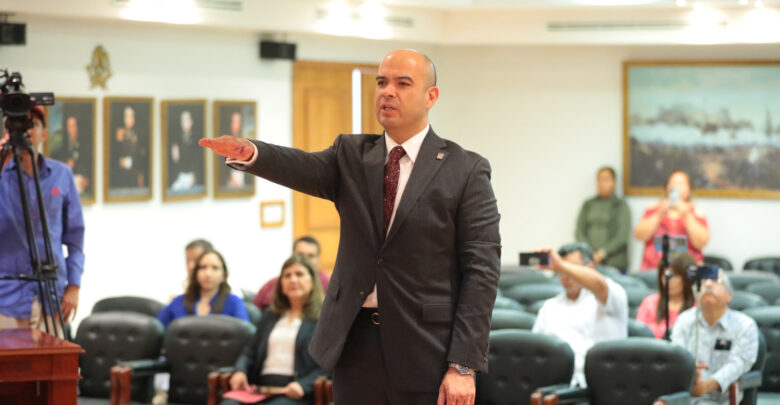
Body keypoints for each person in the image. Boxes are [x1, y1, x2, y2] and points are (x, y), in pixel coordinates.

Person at [200, 49, 501, 405]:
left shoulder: (465, 170)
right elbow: (302, 166)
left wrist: (463, 365)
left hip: (425, 348)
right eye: (381, 82)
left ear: (430, 96)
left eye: (402, 84)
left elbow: (481, 272)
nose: (387, 91)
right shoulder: (352, 154)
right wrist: (253, 153)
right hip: (354, 344)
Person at [0, 106, 85, 332]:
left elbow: (76, 240)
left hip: (52, 299)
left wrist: (74, 286)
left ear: (44, 134)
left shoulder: (62, 175)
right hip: (6, 301)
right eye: (17, 125)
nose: (25, 131)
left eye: (32, 124)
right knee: (9, 368)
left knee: (54, 367)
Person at [222, 255, 327, 405]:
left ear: (312, 281)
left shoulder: (323, 318)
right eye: (287, 276)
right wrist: (240, 371)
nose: (293, 280)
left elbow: (329, 364)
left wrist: (304, 385)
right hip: (261, 387)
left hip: (295, 391)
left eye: (299, 274)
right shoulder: (270, 315)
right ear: (281, 284)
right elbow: (249, 352)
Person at [532, 242, 628, 387]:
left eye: (573, 268)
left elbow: (599, 284)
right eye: (561, 270)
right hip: (559, 387)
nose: (566, 275)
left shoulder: (611, 295)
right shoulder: (549, 307)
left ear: (590, 267)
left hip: (604, 388)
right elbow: (537, 351)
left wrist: (561, 265)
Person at [671, 271, 759, 404]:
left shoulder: (745, 325)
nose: (708, 285)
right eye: (703, 282)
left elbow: (738, 364)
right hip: (683, 396)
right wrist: (690, 374)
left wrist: (707, 386)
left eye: (716, 282)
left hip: (721, 400)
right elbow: (678, 357)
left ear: (729, 296)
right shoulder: (684, 320)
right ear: (696, 295)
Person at [634, 170, 709, 271]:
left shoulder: (696, 212)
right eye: (673, 183)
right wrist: (659, 214)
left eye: (681, 184)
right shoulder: (654, 209)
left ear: (689, 189)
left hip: (687, 272)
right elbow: (639, 235)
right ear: (667, 188)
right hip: (654, 271)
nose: (676, 187)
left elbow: (701, 242)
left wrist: (687, 216)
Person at [157, 250, 249, 328]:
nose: (208, 274)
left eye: (215, 268)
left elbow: (246, 335)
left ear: (224, 275)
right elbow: (158, 328)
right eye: (203, 267)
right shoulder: (179, 302)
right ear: (196, 272)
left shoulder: (234, 302)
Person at [575, 166, 631, 272]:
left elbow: (622, 237)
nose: (601, 183)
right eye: (599, 179)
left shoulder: (620, 205)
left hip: (614, 264)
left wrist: (601, 254)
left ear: (614, 183)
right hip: (589, 262)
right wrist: (591, 253)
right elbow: (579, 231)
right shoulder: (588, 204)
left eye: (606, 180)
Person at [253, 236, 330, 311]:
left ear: (318, 259)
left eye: (311, 256)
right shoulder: (274, 283)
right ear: (293, 256)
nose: (293, 280)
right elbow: (255, 309)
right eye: (300, 255)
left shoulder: (328, 284)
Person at [636, 252, 696, 339]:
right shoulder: (649, 302)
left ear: (687, 277)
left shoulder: (697, 308)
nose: (668, 280)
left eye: (674, 275)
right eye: (664, 274)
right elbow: (638, 336)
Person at [51, 112, 91, 196]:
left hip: (81, 185)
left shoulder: (86, 146)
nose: (73, 129)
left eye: (74, 126)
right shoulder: (61, 147)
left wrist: (87, 179)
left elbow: (89, 167)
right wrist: (66, 166)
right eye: (70, 126)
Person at [111, 105, 148, 189]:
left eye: (131, 116)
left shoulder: (139, 134)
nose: (130, 119)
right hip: (121, 176)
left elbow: (142, 156)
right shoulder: (118, 134)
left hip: (134, 173)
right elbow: (115, 156)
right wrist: (119, 142)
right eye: (127, 116)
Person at [168, 110, 204, 192]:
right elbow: (175, 161)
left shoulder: (197, 139)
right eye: (183, 120)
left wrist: (195, 177)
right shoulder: (177, 139)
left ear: (191, 122)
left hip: (193, 176)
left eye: (187, 120)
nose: (185, 123)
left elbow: (198, 160)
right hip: (180, 176)